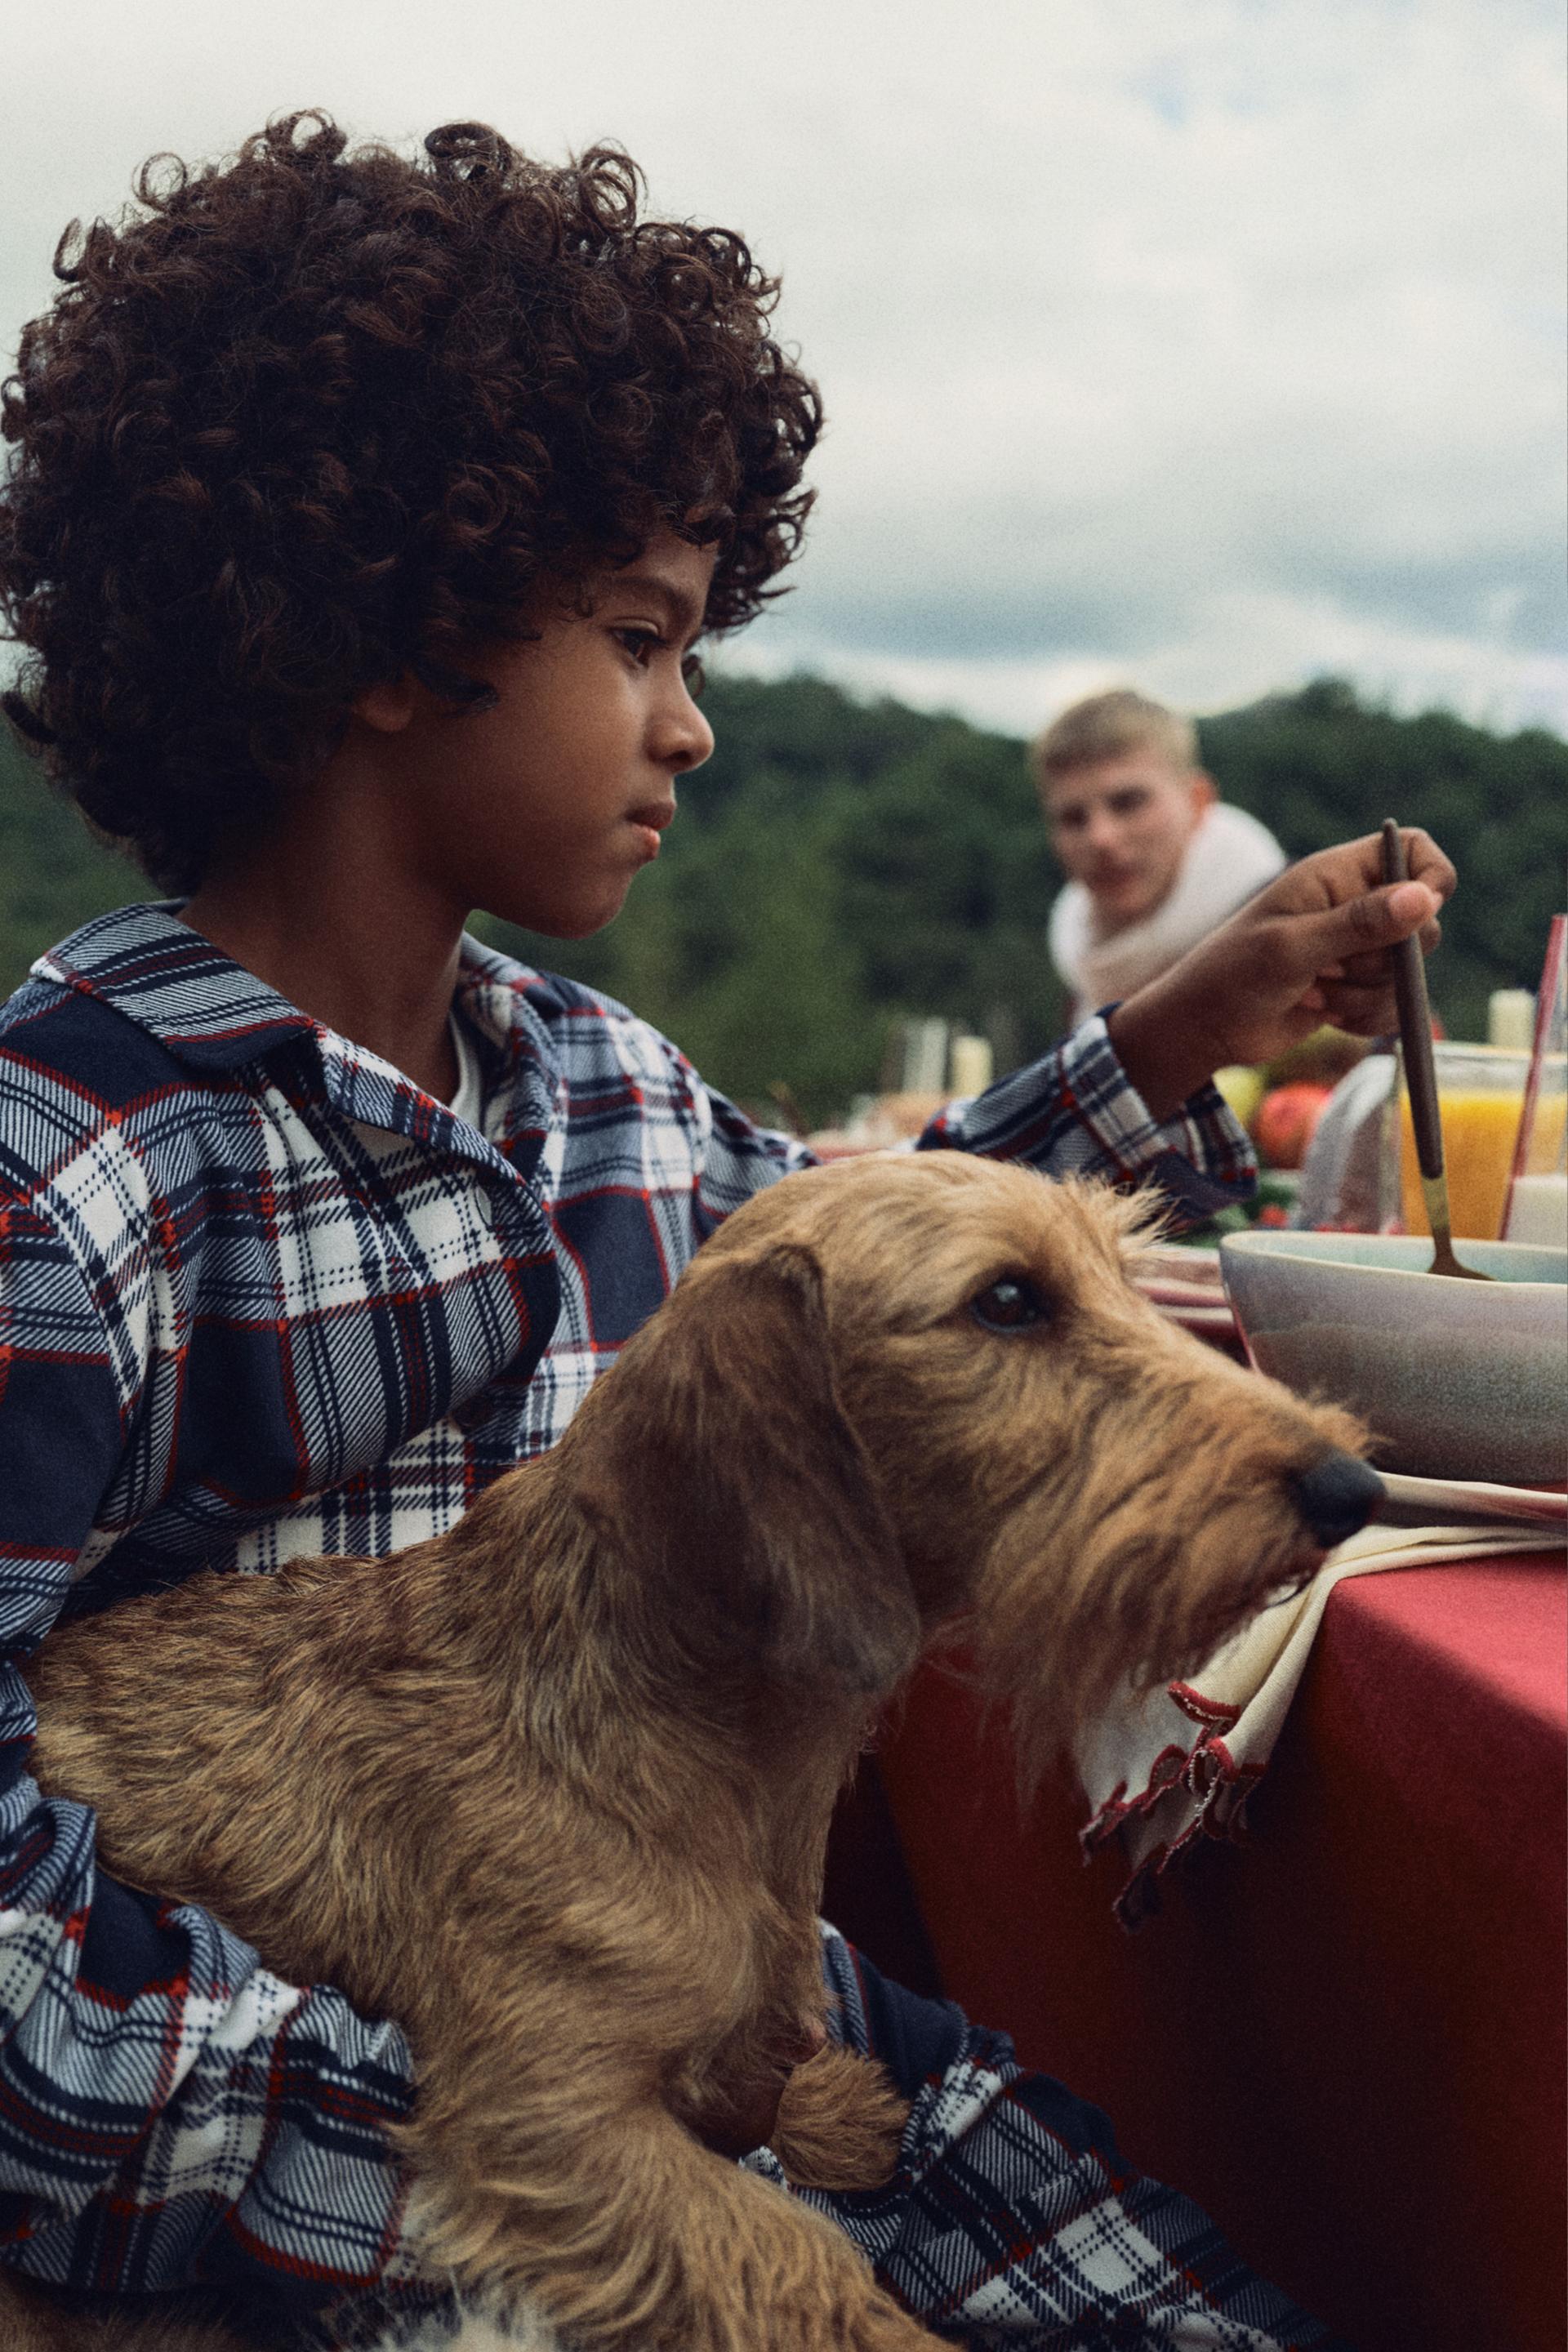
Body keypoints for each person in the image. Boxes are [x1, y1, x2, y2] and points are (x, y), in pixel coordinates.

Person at [0, 113, 1453, 2348]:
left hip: (715, 2011)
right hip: (314, 2152)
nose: (692, 724)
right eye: (642, 636)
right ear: (388, 634)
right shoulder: (66, 1175)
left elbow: (885, 1268)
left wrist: (1181, 1027)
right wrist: (459, 2165)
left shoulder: (605, 1086)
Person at [1034, 688, 1287, 1024]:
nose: (1100, 838)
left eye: (1128, 802)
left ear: (1197, 801)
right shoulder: (1080, 985)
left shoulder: (1290, 947)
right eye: (1072, 818)